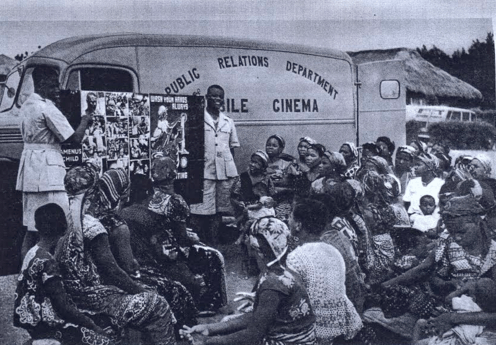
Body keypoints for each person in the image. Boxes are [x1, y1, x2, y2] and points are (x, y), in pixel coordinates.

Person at [58, 164, 177, 345]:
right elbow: (113, 271)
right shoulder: (93, 226)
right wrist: (141, 291)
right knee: (158, 304)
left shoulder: (63, 219)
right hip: (91, 298)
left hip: (70, 293)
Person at [380, 194, 496, 343]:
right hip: (452, 310)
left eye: (461, 232)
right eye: (452, 233)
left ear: (476, 221)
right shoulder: (449, 243)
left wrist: (453, 318)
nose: (457, 238)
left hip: (482, 323)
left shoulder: (493, 255)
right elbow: (424, 269)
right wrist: (387, 285)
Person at [182, 216, 316, 345]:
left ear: (254, 247)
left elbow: (251, 336)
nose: (244, 240)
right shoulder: (283, 271)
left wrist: (206, 342)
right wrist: (210, 328)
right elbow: (258, 317)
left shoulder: (272, 283)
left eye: (247, 238)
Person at [120, 156, 227, 315]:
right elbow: (182, 237)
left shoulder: (140, 199)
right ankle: (204, 304)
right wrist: (192, 239)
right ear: (174, 174)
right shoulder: (176, 201)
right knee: (213, 256)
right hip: (165, 253)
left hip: (140, 252)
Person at [16, 66, 93, 259]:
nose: (57, 90)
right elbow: (73, 139)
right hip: (49, 173)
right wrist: (85, 119)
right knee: (62, 223)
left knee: (32, 228)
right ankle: (57, 268)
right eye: (53, 85)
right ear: (41, 84)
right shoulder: (47, 108)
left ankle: (26, 270)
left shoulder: (25, 106)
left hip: (30, 173)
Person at [14, 203, 113, 345]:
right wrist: (92, 326)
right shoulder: (48, 262)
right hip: (48, 327)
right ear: (64, 228)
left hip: (33, 323)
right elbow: (63, 306)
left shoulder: (32, 253)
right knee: (104, 340)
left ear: (36, 227)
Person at [287, 199, 363, 344]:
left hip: (314, 332)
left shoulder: (296, 257)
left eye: (291, 216)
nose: (288, 220)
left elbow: (293, 301)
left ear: (299, 225)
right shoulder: (333, 250)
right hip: (338, 327)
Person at [189, 85, 240, 246]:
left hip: (224, 172)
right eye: (213, 96)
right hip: (205, 171)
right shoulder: (198, 118)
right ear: (206, 97)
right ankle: (201, 244)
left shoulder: (228, 121)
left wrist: (231, 171)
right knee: (201, 210)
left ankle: (214, 243)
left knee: (219, 211)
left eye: (220, 97)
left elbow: (232, 148)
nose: (217, 99)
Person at [265, 135, 295, 221]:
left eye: (274, 146)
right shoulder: (261, 163)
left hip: (282, 199)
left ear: (281, 149)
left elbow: (289, 184)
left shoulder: (287, 164)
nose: (270, 147)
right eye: (268, 145)